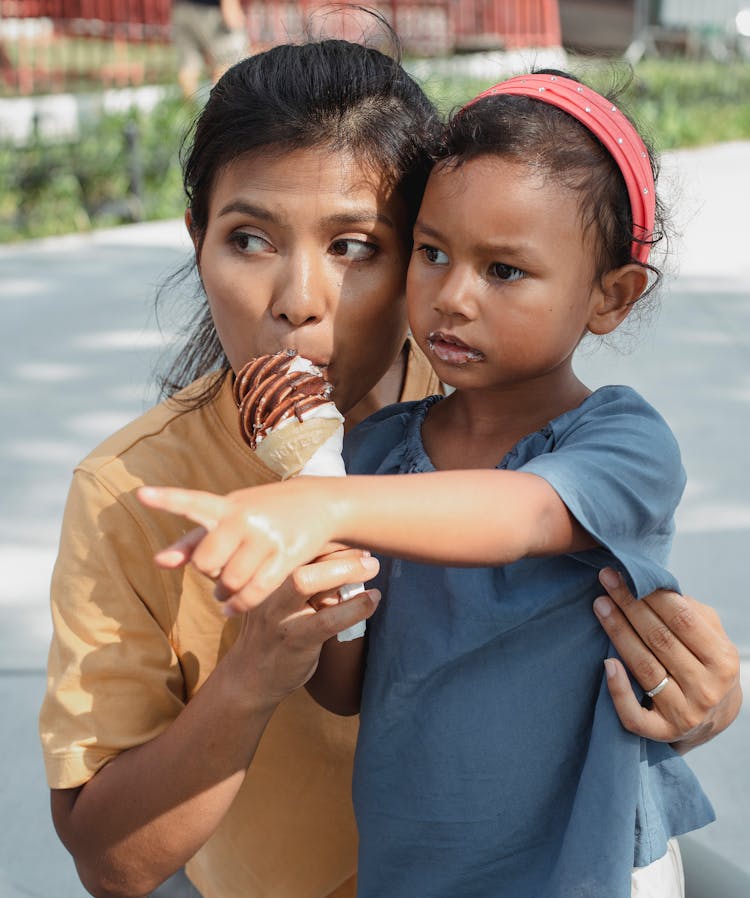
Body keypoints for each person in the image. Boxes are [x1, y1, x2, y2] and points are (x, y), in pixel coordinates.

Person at [38, 39, 741, 898]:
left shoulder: (521, 414)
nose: (299, 300)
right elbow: (114, 861)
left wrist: (695, 696)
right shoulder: (132, 492)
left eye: (357, 247)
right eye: (250, 237)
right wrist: (260, 661)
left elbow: (527, 522)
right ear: (197, 241)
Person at [172, 0, 248, 99]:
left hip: (181, 8)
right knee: (229, 62)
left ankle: (188, 110)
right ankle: (221, 110)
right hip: (211, 10)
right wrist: (230, 6)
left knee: (189, 64)